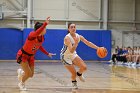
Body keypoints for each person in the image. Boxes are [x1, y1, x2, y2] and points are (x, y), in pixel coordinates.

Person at [16, 17, 55, 91]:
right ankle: (21, 83)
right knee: (28, 74)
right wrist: (45, 23)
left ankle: (21, 72)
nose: (45, 29)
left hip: (31, 57)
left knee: (31, 75)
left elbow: (39, 46)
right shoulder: (32, 35)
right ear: (40, 30)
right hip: (23, 55)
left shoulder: (42, 38)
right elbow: (37, 32)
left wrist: (47, 53)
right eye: (44, 28)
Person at [60, 23, 104, 89]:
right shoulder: (67, 38)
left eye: (74, 27)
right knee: (74, 73)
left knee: (84, 67)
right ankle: (74, 83)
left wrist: (98, 48)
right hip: (65, 56)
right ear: (68, 29)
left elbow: (88, 43)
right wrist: (76, 43)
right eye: (71, 27)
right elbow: (71, 50)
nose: (73, 28)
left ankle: (79, 74)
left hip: (73, 54)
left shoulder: (79, 36)